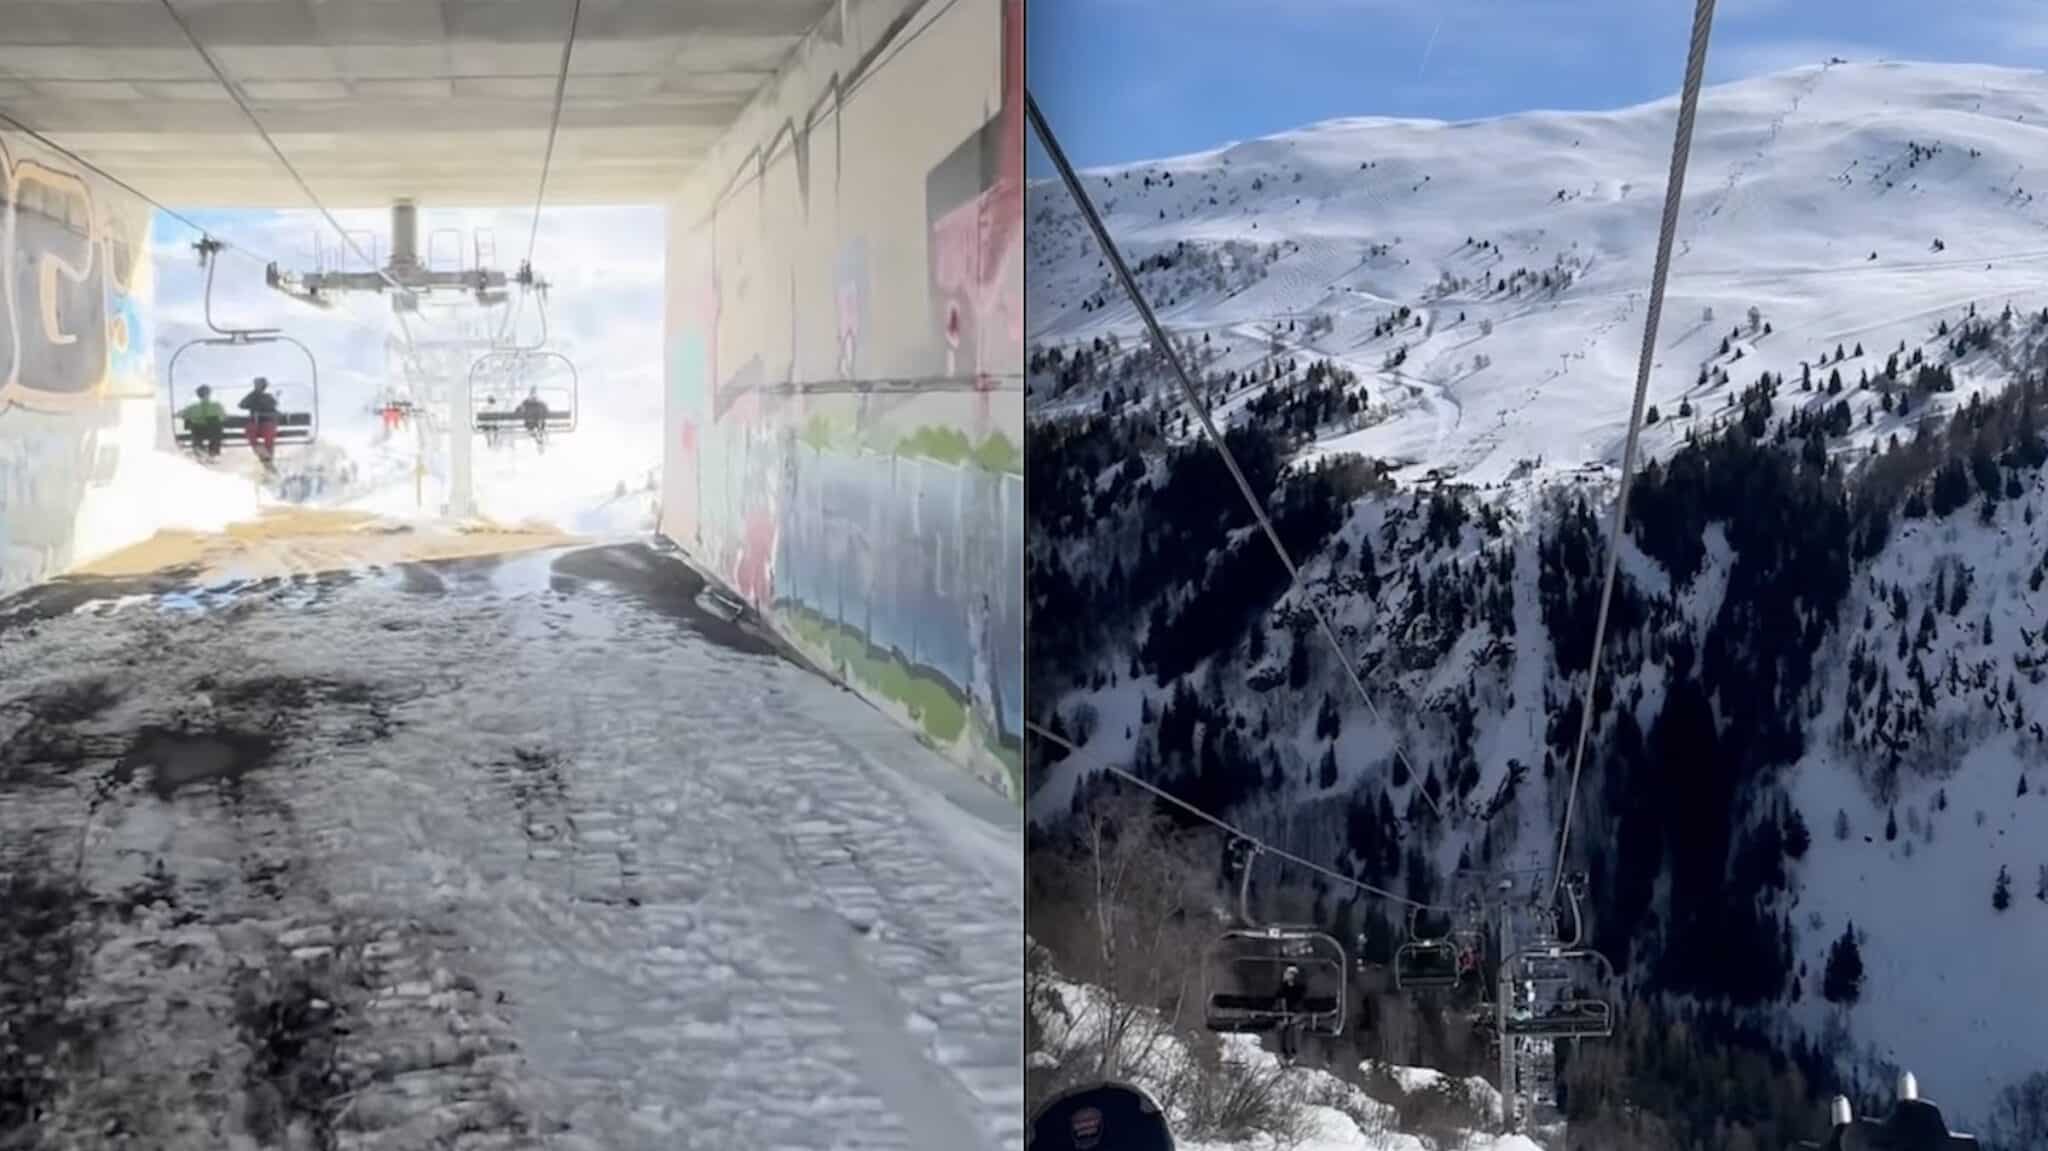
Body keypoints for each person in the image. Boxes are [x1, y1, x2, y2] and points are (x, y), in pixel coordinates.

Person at [239, 376, 282, 463]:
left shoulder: (268, 397)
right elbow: (242, 405)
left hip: (266, 423)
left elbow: (273, 406)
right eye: (256, 385)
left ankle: (268, 457)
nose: (257, 387)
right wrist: (253, 394)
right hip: (255, 423)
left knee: (269, 433)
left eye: (259, 385)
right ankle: (264, 454)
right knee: (251, 432)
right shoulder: (252, 396)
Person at [178, 385, 227, 457]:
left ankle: (199, 448)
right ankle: (213, 452)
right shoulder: (217, 405)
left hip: (198, 434)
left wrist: (191, 417)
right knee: (215, 424)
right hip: (213, 434)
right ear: (209, 393)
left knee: (195, 426)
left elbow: (181, 415)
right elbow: (223, 417)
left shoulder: (192, 407)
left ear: (198, 395)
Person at [1274, 965, 1307, 1063]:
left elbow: (1301, 1004)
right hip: (1288, 1015)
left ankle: (1289, 1053)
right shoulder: (1282, 989)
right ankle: (1286, 1053)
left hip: (1294, 1015)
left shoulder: (1300, 989)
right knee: (1286, 1027)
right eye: (1288, 975)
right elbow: (1280, 1002)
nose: (1289, 978)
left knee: (1292, 1027)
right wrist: (1284, 1016)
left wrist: (1295, 1016)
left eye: (1292, 975)